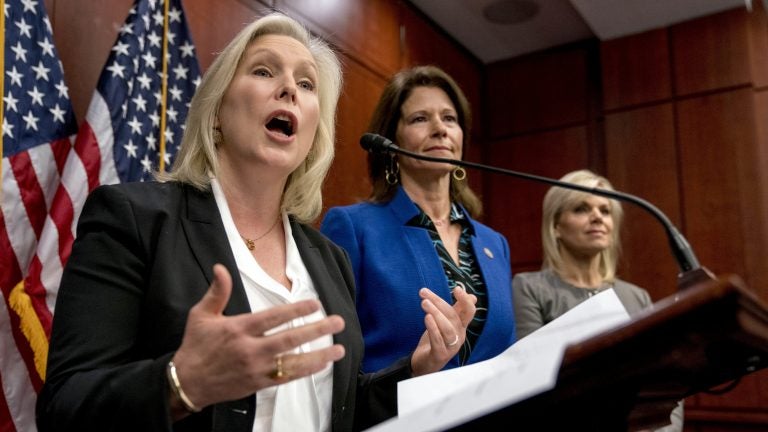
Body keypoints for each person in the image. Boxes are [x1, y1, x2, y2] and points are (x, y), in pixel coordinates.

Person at [36, 13, 477, 432]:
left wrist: (415, 369)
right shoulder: (134, 220)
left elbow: (332, 408)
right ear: (216, 113)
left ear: (311, 137)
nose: (289, 88)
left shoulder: (329, 258)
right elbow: (64, 406)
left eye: (306, 84)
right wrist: (179, 383)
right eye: (264, 72)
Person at [320, 65, 515, 373]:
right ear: (390, 143)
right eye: (420, 118)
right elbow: (333, 357)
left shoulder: (495, 244)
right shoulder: (353, 228)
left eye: (450, 119)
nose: (440, 129)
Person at [512, 168, 683, 431]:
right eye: (581, 209)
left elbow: (662, 381)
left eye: (605, 211)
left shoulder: (636, 296)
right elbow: (531, 380)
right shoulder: (529, 287)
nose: (597, 218)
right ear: (556, 226)